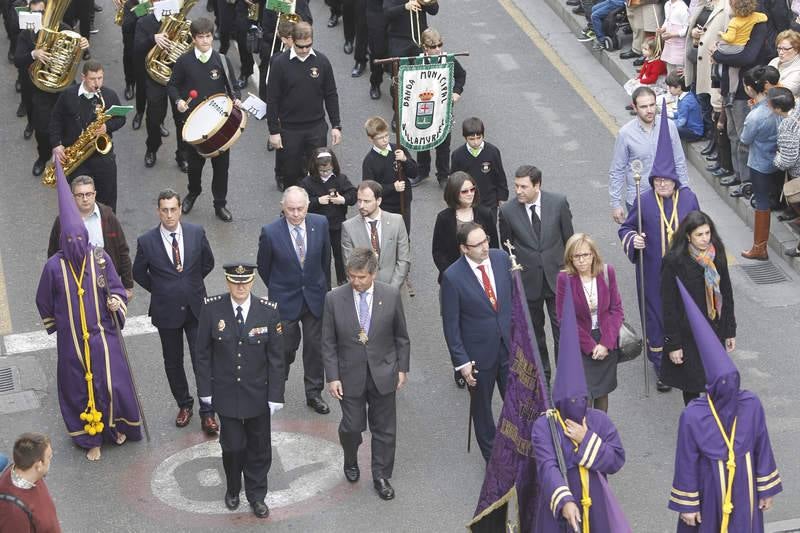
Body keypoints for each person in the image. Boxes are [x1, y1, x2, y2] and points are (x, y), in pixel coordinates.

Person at [36, 162, 142, 461]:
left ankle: (116, 427)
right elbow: (43, 300)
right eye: (70, 241)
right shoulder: (53, 266)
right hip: (73, 343)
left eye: (79, 239)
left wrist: (116, 304)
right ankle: (90, 439)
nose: (75, 245)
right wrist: (60, 326)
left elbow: (117, 289)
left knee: (111, 384)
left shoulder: (99, 258)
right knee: (80, 390)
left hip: (103, 335)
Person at [668, 279, 782, 532]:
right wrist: (688, 504)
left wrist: (766, 489)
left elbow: (762, 446)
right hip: (709, 489)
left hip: (745, 488)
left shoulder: (750, 405)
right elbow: (686, 460)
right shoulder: (694, 415)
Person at [531, 288, 629, 533]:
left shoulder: (599, 422)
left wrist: (585, 439)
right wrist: (564, 500)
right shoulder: (545, 426)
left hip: (596, 503)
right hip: (558, 506)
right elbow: (547, 466)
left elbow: (616, 460)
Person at [619, 99, 700, 392]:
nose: (661, 185)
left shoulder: (688, 199)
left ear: (675, 180)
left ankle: (688, 356)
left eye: (666, 181)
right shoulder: (643, 202)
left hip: (686, 271)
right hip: (653, 270)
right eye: (657, 181)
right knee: (656, 314)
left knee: (687, 312)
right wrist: (634, 240)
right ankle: (661, 367)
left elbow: (702, 230)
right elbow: (626, 228)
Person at [195, 263, 285, 518]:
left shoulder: (268, 312)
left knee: (259, 448)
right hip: (226, 393)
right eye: (235, 282)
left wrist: (276, 395)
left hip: (258, 393)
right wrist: (206, 391)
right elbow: (202, 354)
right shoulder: (212, 309)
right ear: (227, 282)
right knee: (233, 447)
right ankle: (233, 487)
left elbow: (276, 358)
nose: (240, 286)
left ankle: (257, 495)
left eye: (245, 282)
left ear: (253, 282)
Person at [321, 248, 410, 501]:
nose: (355, 282)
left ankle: (381, 475)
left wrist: (402, 368)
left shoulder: (390, 295)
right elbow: (327, 342)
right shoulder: (334, 298)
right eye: (351, 276)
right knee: (351, 427)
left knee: (384, 429)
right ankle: (351, 458)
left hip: (384, 372)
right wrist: (333, 376)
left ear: (373, 273)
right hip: (349, 375)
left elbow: (401, 337)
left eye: (361, 277)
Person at [132, 189, 218, 435]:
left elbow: (207, 262)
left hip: (195, 308)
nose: (169, 215)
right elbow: (139, 273)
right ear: (158, 211)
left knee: (201, 360)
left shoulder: (196, 233)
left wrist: (188, 285)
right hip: (166, 310)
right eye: (164, 210)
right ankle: (184, 404)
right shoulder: (147, 241)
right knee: (173, 361)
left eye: (173, 209)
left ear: (180, 209)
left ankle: (208, 411)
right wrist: (161, 289)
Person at [257, 186, 332, 415]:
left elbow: (325, 259)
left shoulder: (320, 223)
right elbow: (264, 267)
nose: (296, 214)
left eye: (300, 209)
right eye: (291, 209)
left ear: (308, 206)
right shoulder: (270, 232)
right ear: (283, 207)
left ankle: (314, 393)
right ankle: (276, 389)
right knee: (284, 348)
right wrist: (279, 289)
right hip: (285, 299)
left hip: (314, 296)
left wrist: (325, 291)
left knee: (314, 348)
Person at [441, 222, 512, 461]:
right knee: (482, 411)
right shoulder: (452, 277)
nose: (485, 247)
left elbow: (514, 302)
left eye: (486, 240)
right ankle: (494, 462)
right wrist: (462, 362)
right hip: (478, 356)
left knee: (517, 402)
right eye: (477, 244)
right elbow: (451, 325)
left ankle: (522, 451)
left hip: (509, 347)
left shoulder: (501, 258)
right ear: (463, 248)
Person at [499, 165, 574, 384]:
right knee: (535, 333)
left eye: (523, 186)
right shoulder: (507, 211)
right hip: (528, 283)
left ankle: (566, 376)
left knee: (562, 329)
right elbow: (507, 247)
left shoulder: (558, 203)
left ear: (537, 185)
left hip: (557, 279)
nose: (518, 191)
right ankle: (543, 378)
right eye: (516, 186)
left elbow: (569, 240)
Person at [167, 17, 242, 222]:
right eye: (201, 37)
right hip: (194, 124)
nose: (206, 41)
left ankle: (220, 204)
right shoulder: (184, 61)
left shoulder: (222, 61)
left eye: (208, 36)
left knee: (221, 169)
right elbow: (172, 85)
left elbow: (234, 88)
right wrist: (179, 101)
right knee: (195, 166)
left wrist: (236, 100)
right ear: (193, 39)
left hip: (219, 125)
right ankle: (193, 192)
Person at [661, 211, 736, 406]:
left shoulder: (716, 255)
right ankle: (696, 428)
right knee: (692, 388)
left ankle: (715, 426)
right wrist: (673, 344)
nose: (705, 239)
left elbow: (726, 293)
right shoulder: (674, 261)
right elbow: (668, 305)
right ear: (688, 236)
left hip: (714, 330)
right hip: (688, 335)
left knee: (716, 382)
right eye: (699, 235)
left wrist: (730, 331)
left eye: (707, 233)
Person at [432, 172, 499, 388]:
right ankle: (460, 364)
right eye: (464, 191)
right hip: (454, 282)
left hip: (482, 279)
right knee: (454, 324)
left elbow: (495, 247)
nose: (470, 194)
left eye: (472, 189)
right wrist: (453, 275)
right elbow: (438, 252)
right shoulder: (444, 219)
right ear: (454, 193)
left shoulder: (485, 214)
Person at [267, 21, 342, 192]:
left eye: (308, 46)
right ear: (292, 40)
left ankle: (314, 210)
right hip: (289, 130)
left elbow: (331, 94)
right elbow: (272, 99)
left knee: (317, 172)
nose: (305, 50)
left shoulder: (322, 62)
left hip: (316, 127)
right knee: (291, 174)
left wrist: (336, 125)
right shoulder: (279, 64)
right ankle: (290, 209)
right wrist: (273, 131)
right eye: (301, 47)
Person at [556, 233, 624, 413]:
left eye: (585, 255)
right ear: (570, 258)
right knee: (583, 396)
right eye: (576, 256)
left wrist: (605, 344)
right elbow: (564, 319)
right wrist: (590, 347)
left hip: (606, 338)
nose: (581, 260)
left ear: (593, 254)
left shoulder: (607, 273)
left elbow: (616, 310)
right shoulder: (564, 280)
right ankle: (584, 434)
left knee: (602, 393)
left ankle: (601, 433)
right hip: (581, 343)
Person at [50, 61, 125, 212]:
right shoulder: (68, 95)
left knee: (107, 200)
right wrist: (56, 144)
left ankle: (106, 230)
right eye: (93, 79)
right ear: (83, 77)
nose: (97, 83)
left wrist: (106, 127)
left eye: (100, 78)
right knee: (79, 202)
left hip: (103, 158)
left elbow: (121, 119)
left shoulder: (109, 95)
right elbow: (55, 119)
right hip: (77, 159)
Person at [609, 86, 689, 223]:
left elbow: (679, 161)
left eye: (652, 105)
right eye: (644, 106)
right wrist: (615, 204)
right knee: (643, 242)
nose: (649, 110)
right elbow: (617, 170)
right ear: (635, 108)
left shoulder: (669, 126)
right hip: (639, 199)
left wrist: (685, 192)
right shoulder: (625, 134)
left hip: (667, 196)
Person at [47, 176, 134, 299]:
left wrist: (127, 286)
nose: (85, 199)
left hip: (106, 282)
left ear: (95, 194)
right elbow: (53, 254)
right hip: (76, 285)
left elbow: (122, 251)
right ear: (73, 197)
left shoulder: (108, 216)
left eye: (89, 194)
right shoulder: (62, 222)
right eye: (80, 195)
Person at [134, 5, 188, 171]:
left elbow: (189, 47)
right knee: (153, 119)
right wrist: (153, 39)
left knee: (182, 119)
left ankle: (182, 155)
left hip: (177, 78)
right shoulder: (144, 22)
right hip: (155, 76)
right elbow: (136, 49)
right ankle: (152, 148)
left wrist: (180, 49)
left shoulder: (181, 21)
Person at [411, 28, 466, 188]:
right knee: (423, 141)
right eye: (433, 46)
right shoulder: (417, 61)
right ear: (425, 48)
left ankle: (443, 175)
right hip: (423, 108)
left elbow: (461, 75)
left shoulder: (448, 60)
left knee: (443, 145)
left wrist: (457, 92)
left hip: (443, 109)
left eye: (439, 45)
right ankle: (422, 172)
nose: (438, 49)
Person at [738, 66, 782, 261]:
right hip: (778, 158)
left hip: (760, 162)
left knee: (762, 202)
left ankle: (759, 247)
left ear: (750, 88)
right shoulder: (779, 104)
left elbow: (745, 139)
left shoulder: (755, 116)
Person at [301, 148, 357, 286]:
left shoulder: (341, 179)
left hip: (337, 224)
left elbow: (353, 195)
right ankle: (324, 284)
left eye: (328, 170)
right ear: (315, 168)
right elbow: (302, 203)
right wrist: (318, 201)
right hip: (317, 228)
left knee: (340, 255)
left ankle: (342, 280)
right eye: (322, 171)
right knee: (322, 257)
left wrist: (342, 199)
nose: (325, 174)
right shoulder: (307, 182)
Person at [342, 180, 410, 289]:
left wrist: (392, 289)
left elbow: (403, 259)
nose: (361, 206)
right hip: (363, 291)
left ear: (378, 201)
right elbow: (349, 264)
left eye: (367, 201)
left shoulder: (396, 221)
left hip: (394, 289)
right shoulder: (348, 227)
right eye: (359, 201)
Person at [362, 116, 418, 235]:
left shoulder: (398, 149)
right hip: (386, 207)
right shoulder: (369, 161)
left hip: (404, 202)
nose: (385, 140)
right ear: (370, 139)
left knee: (404, 236)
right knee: (390, 237)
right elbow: (370, 189)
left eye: (386, 135)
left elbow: (414, 173)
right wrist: (392, 187)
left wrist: (405, 160)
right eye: (380, 138)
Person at [449, 117, 509, 222]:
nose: (476, 142)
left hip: (489, 201)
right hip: (467, 202)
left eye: (479, 137)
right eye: (472, 139)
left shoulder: (492, 151)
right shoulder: (458, 155)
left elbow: (500, 175)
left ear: (483, 135)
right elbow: (454, 180)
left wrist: (502, 197)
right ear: (465, 138)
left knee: (489, 231)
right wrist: (454, 201)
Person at [0, 433, 60, 533]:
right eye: (49, 457)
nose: (51, 459)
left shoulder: (28, 471)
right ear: (39, 465)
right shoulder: (13, 513)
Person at [768, 86, 800, 249]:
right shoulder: (798, 108)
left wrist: (776, 158)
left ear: (778, 108)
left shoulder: (787, 126)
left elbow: (787, 160)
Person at [215, 0, 253, 90]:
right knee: (224, 29)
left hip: (246, 4)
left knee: (243, 37)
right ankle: (222, 51)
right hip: (226, 2)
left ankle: (246, 71)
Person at [665, 72, 704, 142]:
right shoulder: (687, 96)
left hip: (694, 132)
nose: (669, 89)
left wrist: (667, 122)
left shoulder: (685, 102)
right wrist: (670, 114)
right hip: (691, 128)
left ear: (679, 87)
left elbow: (681, 122)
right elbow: (682, 113)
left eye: (670, 87)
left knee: (668, 128)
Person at [656, 0, 689, 72]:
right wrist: (662, 29)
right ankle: (669, 81)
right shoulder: (667, 4)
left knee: (679, 66)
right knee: (669, 64)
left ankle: (678, 82)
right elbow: (667, 20)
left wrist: (672, 35)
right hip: (669, 41)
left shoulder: (683, 7)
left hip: (679, 43)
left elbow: (686, 29)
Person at [768, 29, 800, 96]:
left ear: (796, 49)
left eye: (786, 49)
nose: (781, 52)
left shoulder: (798, 69)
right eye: (779, 48)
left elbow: (784, 92)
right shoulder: (774, 61)